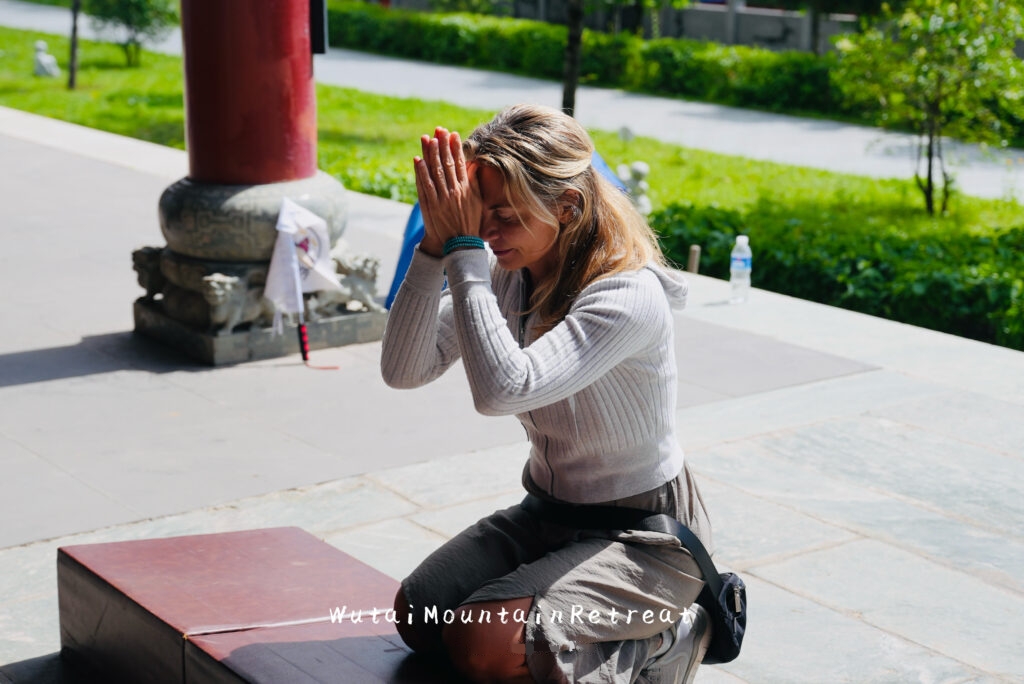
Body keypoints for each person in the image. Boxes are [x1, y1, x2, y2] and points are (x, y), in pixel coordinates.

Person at [380, 104, 715, 684]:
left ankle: (672, 637)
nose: (488, 232)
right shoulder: (511, 274)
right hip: (548, 514)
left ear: (567, 206)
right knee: (420, 614)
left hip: (645, 536)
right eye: (479, 210)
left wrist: (463, 248)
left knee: (482, 647)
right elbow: (405, 370)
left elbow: (503, 391)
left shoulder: (627, 296)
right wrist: (433, 248)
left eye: (504, 215)